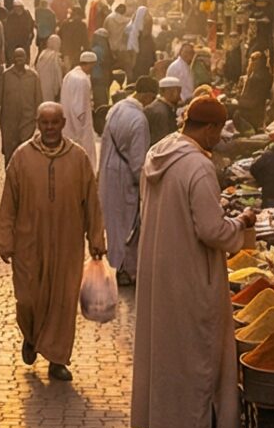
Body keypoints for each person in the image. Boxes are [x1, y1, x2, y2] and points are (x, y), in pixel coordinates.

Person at [132, 97, 255, 428]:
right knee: (201, 361)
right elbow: (211, 230)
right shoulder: (199, 167)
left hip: (161, 277)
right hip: (192, 279)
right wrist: (243, 223)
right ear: (211, 129)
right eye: (219, 131)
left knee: (172, 363)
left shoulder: (158, 153)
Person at [0, 102, 106, 380]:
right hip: (28, 244)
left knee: (62, 300)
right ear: (37, 123)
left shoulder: (79, 158)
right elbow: (9, 202)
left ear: (63, 123)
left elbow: (92, 202)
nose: (49, 128)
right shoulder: (22, 157)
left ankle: (57, 358)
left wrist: (96, 236)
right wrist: (4, 239)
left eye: (54, 123)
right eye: (44, 123)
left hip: (67, 244)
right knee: (27, 298)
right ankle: (31, 336)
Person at [100, 78, 156, 287]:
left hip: (109, 172)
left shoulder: (117, 108)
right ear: (147, 95)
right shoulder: (139, 121)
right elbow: (138, 161)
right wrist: (143, 185)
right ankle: (124, 269)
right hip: (124, 179)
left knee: (113, 224)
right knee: (128, 225)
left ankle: (115, 264)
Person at [0, 47, 42, 163]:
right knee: (9, 150)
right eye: (17, 57)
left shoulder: (33, 77)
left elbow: (38, 98)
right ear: (13, 59)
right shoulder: (6, 75)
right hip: (9, 120)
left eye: (21, 57)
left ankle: (24, 175)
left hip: (27, 120)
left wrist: (40, 116)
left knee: (26, 149)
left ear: (26, 58)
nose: (19, 60)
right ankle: (10, 174)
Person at [59, 51, 100, 163]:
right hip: (79, 127)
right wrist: (82, 128)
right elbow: (80, 109)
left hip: (67, 123)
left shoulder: (69, 75)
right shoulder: (82, 80)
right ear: (90, 64)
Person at [147, 76, 183, 143]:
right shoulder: (161, 112)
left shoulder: (158, 107)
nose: (180, 97)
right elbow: (164, 140)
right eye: (178, 92)